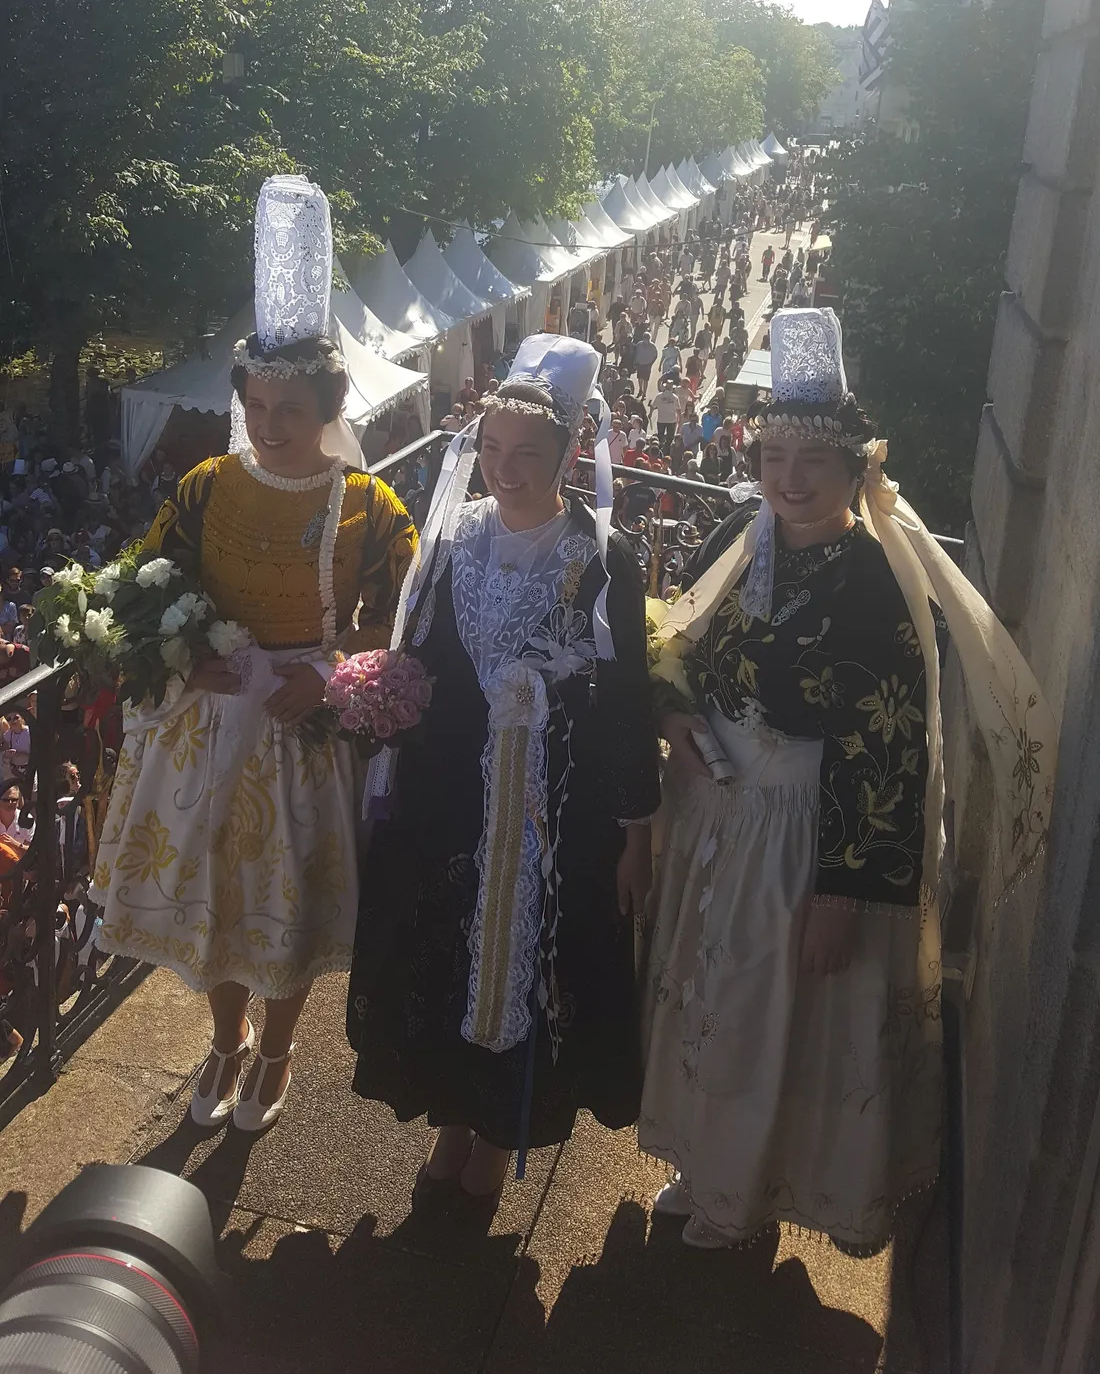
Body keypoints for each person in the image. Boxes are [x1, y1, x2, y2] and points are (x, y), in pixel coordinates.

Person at [640, 308, 1054, 1254]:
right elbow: (671, 633)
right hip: (718, 818)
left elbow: (891, 750)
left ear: (851, 473)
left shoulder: (872, 587)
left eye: (810, 464)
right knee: (713, 1003)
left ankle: (768, 1188)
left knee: (783, 1022)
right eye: (774, 458)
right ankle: (709, 1165)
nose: (788, 479)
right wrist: (670, 708)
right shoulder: (741, 542)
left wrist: (842, 893)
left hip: (804, 836)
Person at [92, 178, 418, 1135]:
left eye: (290, 407)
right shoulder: (202, 487)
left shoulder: (368, 507)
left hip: (302, 730)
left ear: (330, 403)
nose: (270, 426)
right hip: (209, 725)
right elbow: (143, 593)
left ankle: (276, 1053)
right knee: (215, 907)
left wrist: (327, 673)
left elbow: (406, 623)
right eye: (258, 404)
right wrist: (187, 662)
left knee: (288, 910)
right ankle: (225, 1040)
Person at [347, 335, 660, 1221]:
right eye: (491, 449)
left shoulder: (603, 557)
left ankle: (499, 1129)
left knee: (531, 964)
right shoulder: (455, 540)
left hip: (558, 804)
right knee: (448, 952)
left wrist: (637, 828)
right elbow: (428, 656)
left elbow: (626, 697)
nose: (505, 469)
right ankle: (456, 1115)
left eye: (528, 453)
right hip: (453, 796)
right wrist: (388, 694)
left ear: (569, 453)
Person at [632, 328, 659, 399]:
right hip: (639, 364)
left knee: (646, 379)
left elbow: (655, 356)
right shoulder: (639, 344)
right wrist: (635, 362)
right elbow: (636, 353)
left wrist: (651, 364)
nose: (645, 339)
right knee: (639, 378)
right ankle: (640, 389)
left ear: (649, 338)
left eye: (647, 338)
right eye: (644, 338)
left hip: (647, 365)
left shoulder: (652, 346)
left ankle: (644, 393)